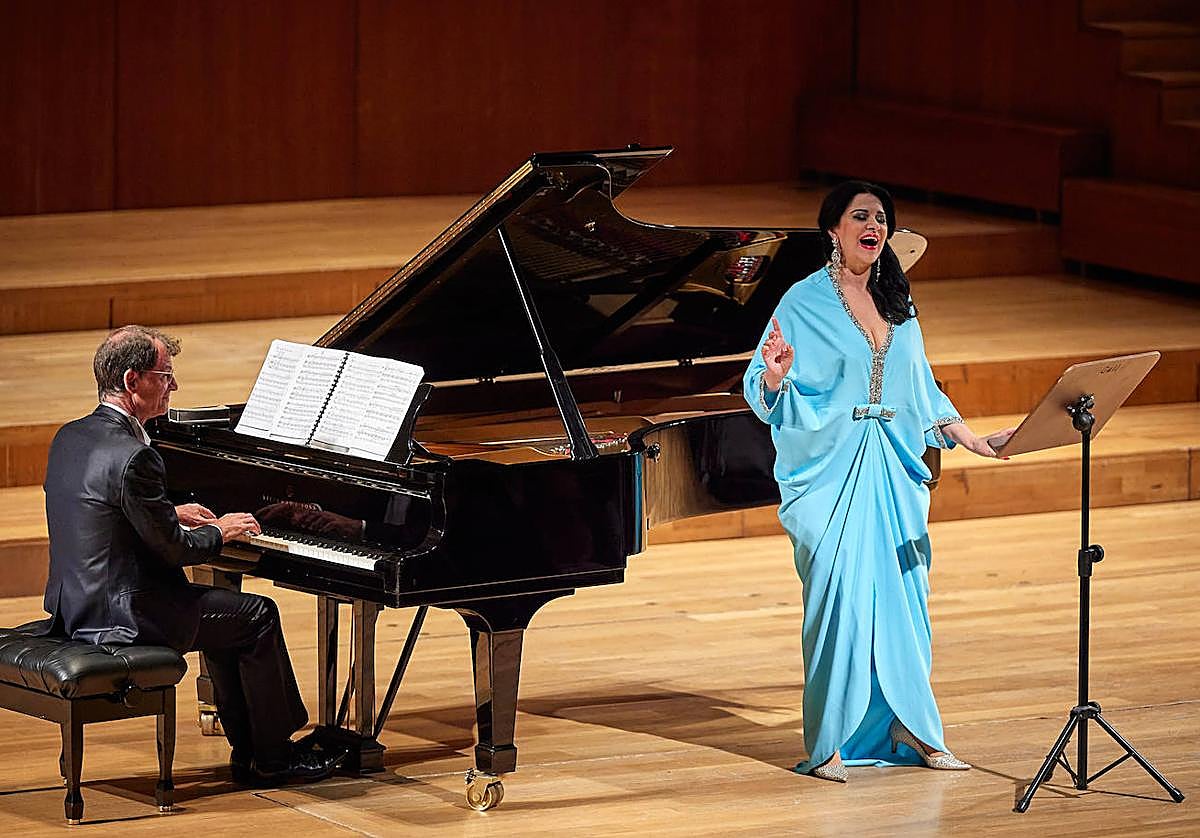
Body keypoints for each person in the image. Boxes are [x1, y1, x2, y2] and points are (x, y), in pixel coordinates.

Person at [742, 182, 1013, 783]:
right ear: (833, 230)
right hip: (830, 468)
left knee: (905, 600)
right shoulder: (802, 301)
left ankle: (909, 727)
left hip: (892, 470)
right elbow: (760, 385)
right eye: (859, 215)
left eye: (881, 218)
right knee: (836, 599)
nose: (873, 225)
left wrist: (970, 437)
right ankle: (829, 744)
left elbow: (921, 386)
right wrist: (777, 377)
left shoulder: (897, 299)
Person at [40, 324, 345, 786]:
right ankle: (274, 760)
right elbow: (175, 550)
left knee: (230, 620)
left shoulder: (72, 436)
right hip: (127, 614)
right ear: (131, 382)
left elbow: (99, 509)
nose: (174, 386)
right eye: (165, 375)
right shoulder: (136, 455)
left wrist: (165, 511)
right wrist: (221, 531)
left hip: (77, 605)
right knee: (257, 616)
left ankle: (252, 753)